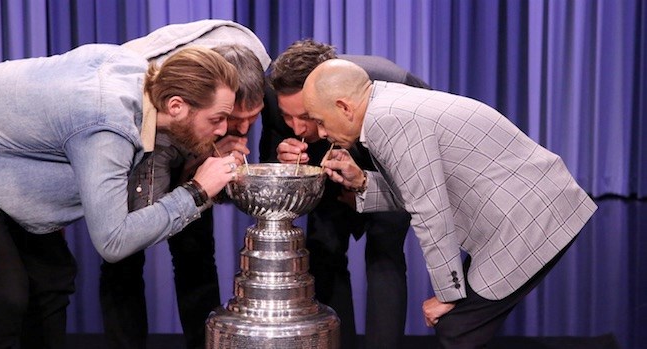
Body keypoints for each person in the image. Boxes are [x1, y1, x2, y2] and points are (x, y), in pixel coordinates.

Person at [0, 44, 243, 348]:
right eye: (216, 118)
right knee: (3, 297)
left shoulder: (139, 76)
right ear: (176, 106)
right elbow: (114, 242)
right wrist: (195, 192)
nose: (223, 129)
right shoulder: (107, 127)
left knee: (51, 281)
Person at [302, 59, 598, 349]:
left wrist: (448, 295)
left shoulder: (386, 121)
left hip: (530, 216)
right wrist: (363, 182)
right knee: (459, 329)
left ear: (344, 107)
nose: (322, 133)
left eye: (319, 121)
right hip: (526, 209)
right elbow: (423, 187)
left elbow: (429, 209)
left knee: (458, 328)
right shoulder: (387, 102)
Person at [258, 39, 429, 348]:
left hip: (388, 169)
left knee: (384, 254)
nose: (296, 128)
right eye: (287, 117)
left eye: (307, 116)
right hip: (328, 174)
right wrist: (284, 159)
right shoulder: (273, 94)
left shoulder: (396, 89)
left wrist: (366, 187)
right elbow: (270, 165)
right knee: (323, 252)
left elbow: (418, 174)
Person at [100, 40, 267, 349]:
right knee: (124, 258)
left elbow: (223, 194)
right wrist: (195, 180)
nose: (243, 130)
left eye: (253, 117)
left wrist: (216, 173)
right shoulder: (163, 105)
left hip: (190, 140)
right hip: (146, 138)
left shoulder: (255, 76)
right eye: (233, 119)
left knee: (196, 250)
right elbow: (141, 215)